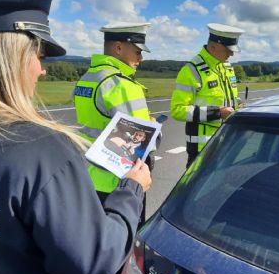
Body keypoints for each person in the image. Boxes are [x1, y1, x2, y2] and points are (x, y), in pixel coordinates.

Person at [0, 0, 151, 274]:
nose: (42, 70)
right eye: (39, 55)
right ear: (10, 60)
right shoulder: (41, 150)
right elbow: (96, 262)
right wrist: (131, 192)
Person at [74, 22, 155, 208]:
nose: (141, 58)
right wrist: (155, 130)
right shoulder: (123, 85)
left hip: (87, 175)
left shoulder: (87, 78)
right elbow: (141, 144)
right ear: (118, 48)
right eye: (137, 52)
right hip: (117, 182)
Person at [170, 23, 245, 168]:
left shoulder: (227, 67)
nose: (232, 54)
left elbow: (228, 99)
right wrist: (217, 113)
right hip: (202, 147)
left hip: (227, 140)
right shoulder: (191, 70)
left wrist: (239, 105)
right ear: (213, 47)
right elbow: (177, 110)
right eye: (228, 50)